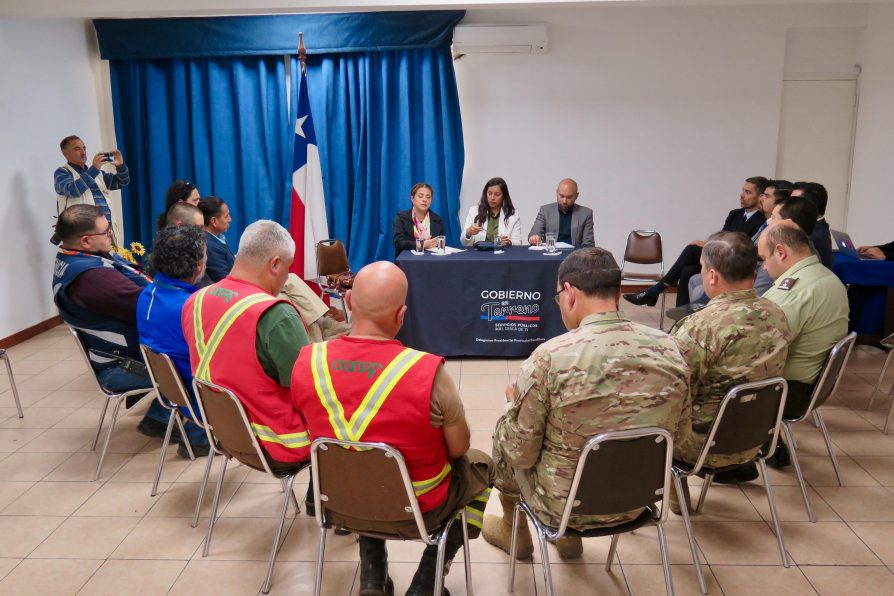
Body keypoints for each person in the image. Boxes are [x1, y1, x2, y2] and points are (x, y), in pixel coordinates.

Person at [291, 261, 494, 595]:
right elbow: (458, 449)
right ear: (401, 316)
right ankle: (428, 578)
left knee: (363, 464)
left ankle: (373, 576)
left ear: (351, 303)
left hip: (340, 504)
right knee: (482, 465)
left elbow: (305, 428)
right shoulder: (428, 372)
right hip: (420, 509)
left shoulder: (307, 361)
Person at [482, 247, 690, 561]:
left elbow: (519, 453)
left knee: (506, 429)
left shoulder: (550, 358)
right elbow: (682, 439)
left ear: (568, 293)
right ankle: (564, 540)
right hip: (641, 500)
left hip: (563, 505)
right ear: (619, 293)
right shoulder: (671, 347)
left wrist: (515, 407)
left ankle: (516, 531)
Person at [182, 220, 312, 469]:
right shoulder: (276, 314)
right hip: (278, 443)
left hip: (224, 433)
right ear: (275, 264)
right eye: (288, 267)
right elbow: (305, 387)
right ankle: (323, 500)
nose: (287, 277)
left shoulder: (195, 300)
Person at [671, 231, 791, 496]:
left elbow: (673, 388)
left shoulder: (702, 326)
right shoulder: (777, 314)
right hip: (755, 439)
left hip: (703, 444)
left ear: (712, 276)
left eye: (702, 269)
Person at [51, 204, 169, 437]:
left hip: (125, 353)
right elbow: (151, 309)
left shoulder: (78, 256)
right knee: (198, 358)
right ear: (86, 241)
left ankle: (162, 417)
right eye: (106, 232)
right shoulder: (92, 279)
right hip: (122, 366)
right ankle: (193, 434)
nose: (111, 236)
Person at [759, 222, 848, 462]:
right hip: (813, 387)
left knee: (711, 378)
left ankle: (732, 458)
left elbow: (758, 346)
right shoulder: (828, 278)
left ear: (781, 252)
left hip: (788, 392)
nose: (764, 266)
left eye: (764, 258)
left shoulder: (795, 291)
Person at [623, 176, 769, 307]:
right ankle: (680, 317)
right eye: (743, 190)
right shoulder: (735, 214)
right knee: (687, 271)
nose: (742, 195)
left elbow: (740, 245)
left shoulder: (762, 220)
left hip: (733, 260)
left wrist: (706, 244)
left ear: (760, 197)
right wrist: (709, 244)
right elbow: (722, 236)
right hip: (720, 255)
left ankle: (655, 290)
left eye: (748, 192)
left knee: (692, 249)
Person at [136, 225, 211, 457]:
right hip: (202, 398)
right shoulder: (193, 308)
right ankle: (205, 437)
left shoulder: (148, 293)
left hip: (173, 390)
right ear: (198, 265)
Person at [54, 135, 130, 245]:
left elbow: (121, 182)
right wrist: (94, 169)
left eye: (84, 148)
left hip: (107, 231)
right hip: (82, 234)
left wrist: (120, 166)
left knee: (111, 261)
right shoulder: (62, 173)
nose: (83, 152)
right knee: (90, 262)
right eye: (77, 149)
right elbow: (73, 190)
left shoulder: (97, 173)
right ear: (65, 153)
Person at [527, 178, 595, 247]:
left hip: (574, 256)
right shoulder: (545, 210)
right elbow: (535, 232)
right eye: (561, 196)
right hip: (550, 254)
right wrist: (534, 237)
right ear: (557, 193)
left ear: (576, 196)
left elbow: (588, 244)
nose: (564, 201)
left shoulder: (586, 214)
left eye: (569, 197)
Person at [460, 177, 521, 247]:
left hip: (501, 255)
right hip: (479, 255)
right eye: (489, 193)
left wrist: (509, 242)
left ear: (504, 196)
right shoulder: (474, 211)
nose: (492, 197)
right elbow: (463, 242)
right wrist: (468, 233)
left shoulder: (513, 215)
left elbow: (518, 242)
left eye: (497, 194)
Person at [393, 182, 446, 257]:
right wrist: (421, 244)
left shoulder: (438, 220)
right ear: (412, 198)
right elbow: (398, 243)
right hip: (407, 261)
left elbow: (441, 243)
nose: (424, 200)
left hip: (432, 261)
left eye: (428, 197)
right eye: (420, 196)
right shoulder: (401, 217)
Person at [791, 181, 833, 269]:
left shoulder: (811, 236)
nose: (787, 206)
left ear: (809, 206)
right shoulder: (816, 227)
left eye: (793, 202)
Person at [198, 196, 235, 282]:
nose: (230, 219)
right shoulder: (209, 247)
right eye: (226, 216)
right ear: (214, 221)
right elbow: (225, 281)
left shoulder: (217, 239)